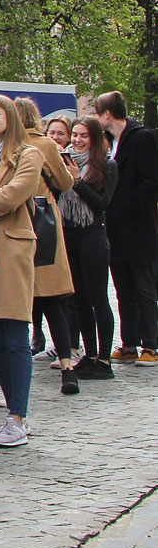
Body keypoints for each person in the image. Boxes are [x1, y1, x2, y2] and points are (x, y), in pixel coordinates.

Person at [0, 95, 44, 448]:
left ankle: (18, 415)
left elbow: (15, 194)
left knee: (14, 332)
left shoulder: (28, 154)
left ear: (11, 117)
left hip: (11, 249)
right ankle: (10, 415)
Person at [15, 98, 77, 390]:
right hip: (44, 221)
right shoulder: (45, 145)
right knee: (52, 300)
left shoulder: (6, 144)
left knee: (15, 301)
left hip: (14, 219)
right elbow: (65, 182)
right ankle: (67, 366)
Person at [95, 91, 158, 365]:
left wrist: (126, 207)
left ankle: (150, 345)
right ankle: (129, 342)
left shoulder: (142, 137)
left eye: (98, 114)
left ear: (107, 114)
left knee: (144, 288)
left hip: (138, 227)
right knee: (122, 289)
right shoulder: (112, 142)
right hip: (117, 229)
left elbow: (149, 181)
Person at [62, 116, 118, 378]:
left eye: (83, 135)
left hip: (93, 235)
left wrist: (78, 182)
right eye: (75, 135)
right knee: (79, 300)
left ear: (94, 138)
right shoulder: (65, 161)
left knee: (98, 299)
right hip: (68, 233)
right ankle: (90, 354)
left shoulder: (106, 165)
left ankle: (104, 361)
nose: (77, 140)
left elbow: (101, 204)